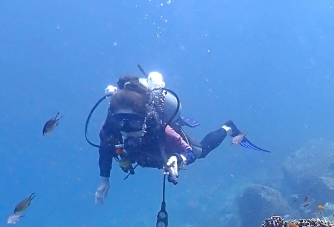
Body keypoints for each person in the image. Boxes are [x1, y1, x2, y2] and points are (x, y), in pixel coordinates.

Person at [94, 74, 251, 204]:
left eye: (134, 123)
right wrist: (104, 180)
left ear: (145, 119)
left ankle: (227, 128)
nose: (127, 129)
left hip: (164, 146)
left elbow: (189, 152)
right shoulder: (110, 131)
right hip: (147, 155)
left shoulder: (159, 128)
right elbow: (104, 152)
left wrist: (179, 158)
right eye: (120, 123)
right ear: (113, 120)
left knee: (200, 151)